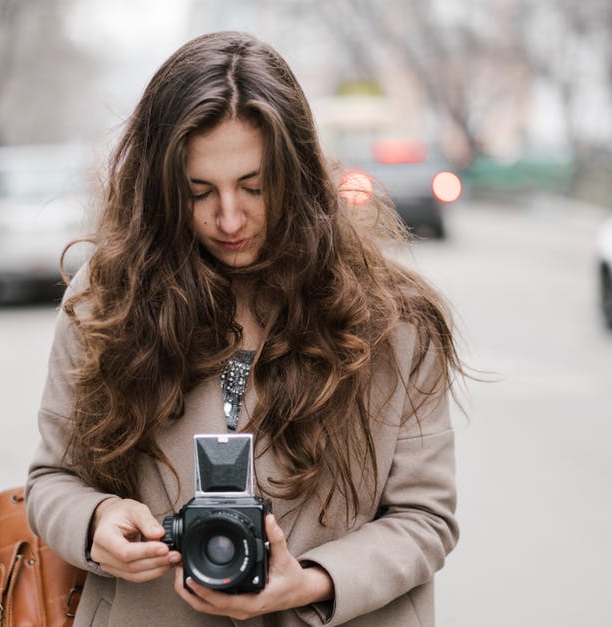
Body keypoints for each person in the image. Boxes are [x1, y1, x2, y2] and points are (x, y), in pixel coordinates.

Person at [26, 31, 465, 626]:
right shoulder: (108, 301)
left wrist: (310, 582)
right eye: (198, 192)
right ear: (160, 190)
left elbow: (426, 519)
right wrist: (95, 521)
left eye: (254, 188)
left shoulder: (393, 320)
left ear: (299, 174)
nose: (229, 218)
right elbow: (54, 478)